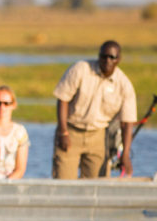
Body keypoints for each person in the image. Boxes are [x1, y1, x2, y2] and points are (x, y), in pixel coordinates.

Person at [52, 40, 137, 179]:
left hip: (98, 136)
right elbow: (63, 99)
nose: (107, 60)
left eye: (112, 57)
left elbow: (127, 123)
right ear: (98, 56)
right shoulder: (80, 69)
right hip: (71, 131)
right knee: (64, 183)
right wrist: (63, 132)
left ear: (118, 60)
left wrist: (125, 155)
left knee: (98, 185)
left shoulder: (124, 84)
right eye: (103, 56)